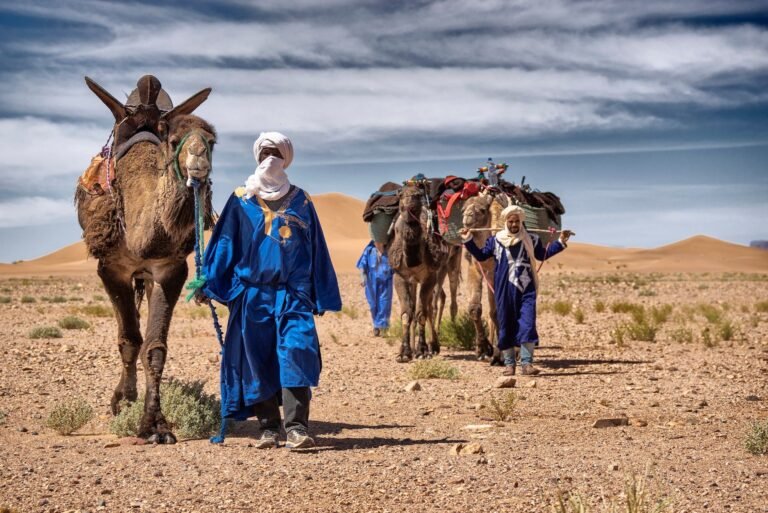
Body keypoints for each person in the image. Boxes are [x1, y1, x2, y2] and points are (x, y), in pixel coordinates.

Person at [196, 131, 342, 449]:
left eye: (276, 153)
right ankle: (268, 427)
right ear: (257, 158)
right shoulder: (241, 200)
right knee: (257, 358)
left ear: (286, 158)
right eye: (265, 154)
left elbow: (317, 248)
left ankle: (297, 428)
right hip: (252, 295)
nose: (270, 159)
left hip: (292, 294)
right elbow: (224, 244)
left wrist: (318, 292)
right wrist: (208, 280)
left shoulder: (302, 201)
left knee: (297, 351)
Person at [460, 205, 572, 376]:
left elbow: (542, 255)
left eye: (517, 221)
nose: (514, 225)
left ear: (521, 222)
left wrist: (561, 242)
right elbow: (482, 255)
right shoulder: (496, 240)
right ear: (506, 222)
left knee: (527, 324)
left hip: (527, 289)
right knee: (506, 325)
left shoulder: (531, 239)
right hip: (504, 289)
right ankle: (509, 365)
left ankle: (527, 364)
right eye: (511, 221)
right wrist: (468, 240)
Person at [356, 240, 394, 336]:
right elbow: (362, 265)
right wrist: (363, 277)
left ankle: (383, 327)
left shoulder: (389, 251)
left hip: (386, 282)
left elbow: (395, 266)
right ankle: (376, 326)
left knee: (384, 304)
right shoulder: (369, 250)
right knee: (373, 305)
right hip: (371, 282)